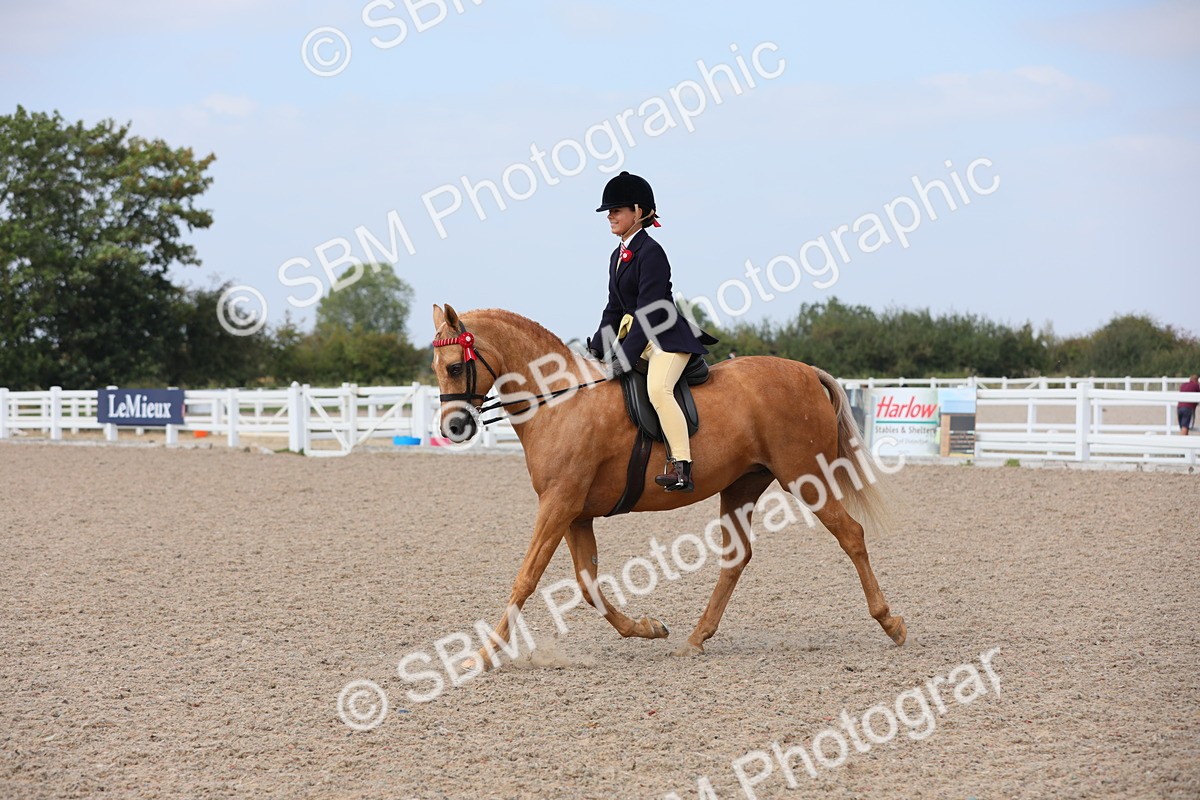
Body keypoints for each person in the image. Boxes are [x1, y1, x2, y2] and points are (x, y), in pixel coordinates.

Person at [587, 171, 717, 493]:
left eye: (616, 210)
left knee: (659, 389)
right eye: (608, 212)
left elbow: (649, 312)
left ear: (639, 211)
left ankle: (682, 466)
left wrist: (624, 360)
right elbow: (614, 309)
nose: (610, 217)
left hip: (665, 336)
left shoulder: (652, 252)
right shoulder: (617, 256)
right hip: (638, 336)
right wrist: (597, 349)